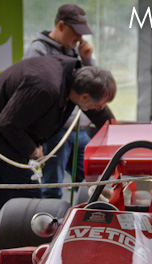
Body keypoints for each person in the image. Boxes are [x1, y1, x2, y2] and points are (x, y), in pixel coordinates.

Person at [0, 55, 116, 264]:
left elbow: (98, 112)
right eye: (99, 105)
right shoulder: (46, 88)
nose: (99, 109)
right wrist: (32, 150)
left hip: (6, 122)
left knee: (9, 194)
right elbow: (8, 123)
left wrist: (118, 133)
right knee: (24, 197)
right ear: (84, 97)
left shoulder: (74, 76)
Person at [23, 4, 112, 199]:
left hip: (77, 128)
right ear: (61, 26)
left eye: (82, 33)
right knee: (52, 186)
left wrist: (87, 60)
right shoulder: (39, 49)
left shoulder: (74, 52)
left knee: (93, 181)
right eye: (76, 32)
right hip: (54, 131)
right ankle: (49, 218)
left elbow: (89, 86)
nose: (79, 38)